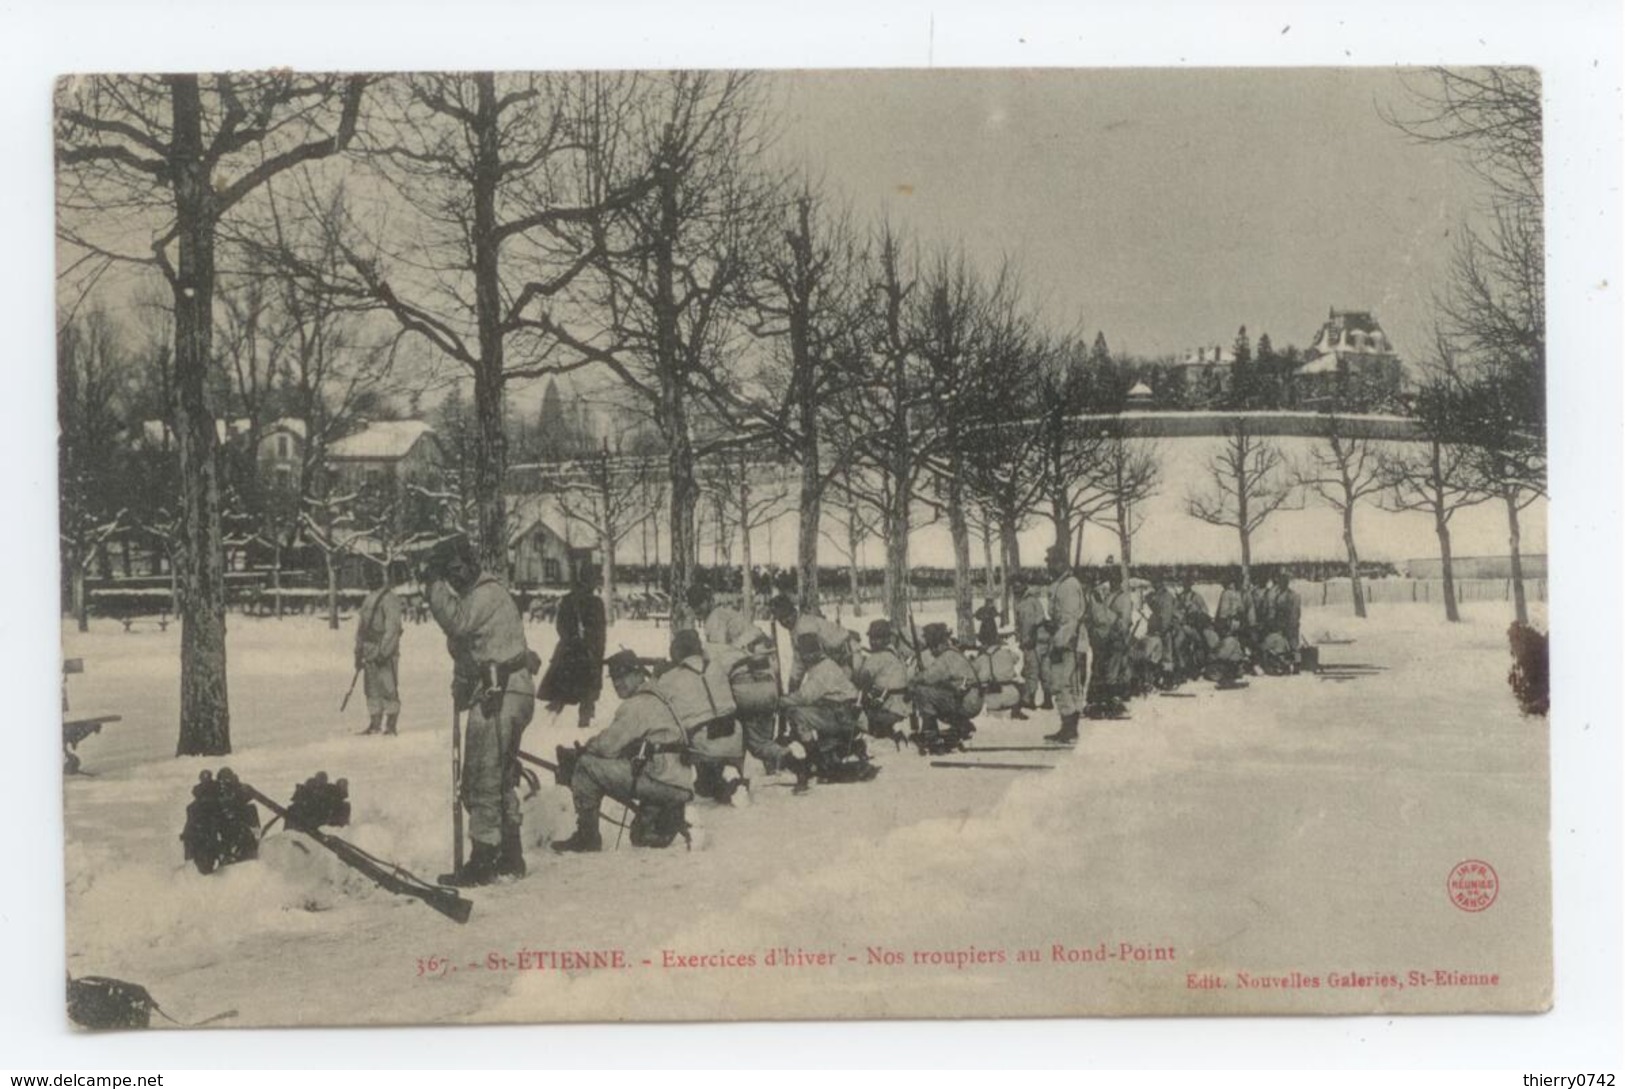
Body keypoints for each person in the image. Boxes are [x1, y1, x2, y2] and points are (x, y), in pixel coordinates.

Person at [422, 536, 538, 886]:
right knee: (498, 775)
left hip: (500, 693)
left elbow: (456, 624)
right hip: (500, 690)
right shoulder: (479, 597)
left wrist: (433, 587)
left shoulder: (486, 594)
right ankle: (510, 854)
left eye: (457, 569)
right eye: (449, 573)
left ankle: (484, 857)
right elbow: (469, 647)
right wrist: (461, 682)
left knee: (482, 778)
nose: (455, 578)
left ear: (470, 562)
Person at [551, 651, 694, 854]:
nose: (618, 682)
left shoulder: (637, 704)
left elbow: (608, 746)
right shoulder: (658, 695)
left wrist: (582, 751)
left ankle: (587, 837)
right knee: (640, 837)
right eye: (615, 678)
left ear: (638, 674)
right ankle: (661, 814)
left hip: (662, 779)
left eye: (624, 675)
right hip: (677, 778)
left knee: (585, 766)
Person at [779, 631, 863, 793]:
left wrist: (780, 701)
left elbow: (804, 697)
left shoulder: (821, 670)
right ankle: (822, 752)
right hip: (843, 713)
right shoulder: (826, 664)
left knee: (797, 713)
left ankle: (811, 757)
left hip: (841, 716)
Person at [536, 563, 607, 730]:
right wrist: (596, 652)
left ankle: (547, 728)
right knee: (587, 697)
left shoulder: (569, 599)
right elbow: (600, 634)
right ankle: (583, 728)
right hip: (588, 655)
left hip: (569, 655)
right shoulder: (596, 603)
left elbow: (561, 627)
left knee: (560, 695)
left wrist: (573, 640)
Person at [908, 622, 983, 753]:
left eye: (933, 648)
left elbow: (929, 677)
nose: (932, 652)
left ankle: (931, 734)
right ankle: (961, 725)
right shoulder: (955, 653)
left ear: (939, 644)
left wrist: (914, 680)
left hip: (966, 702)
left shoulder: (946, 657)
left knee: (922, 691)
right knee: (937, 692)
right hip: (972, 698)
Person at [1042, 547, 1088, 744]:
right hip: (1068, 639)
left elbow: (1070, 620)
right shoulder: (1063, 584)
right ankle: (1068, 727)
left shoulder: (1068, 585)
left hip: (1069, 641)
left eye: (1051, 562)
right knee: (1067, 684)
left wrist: (1060, 643)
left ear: (1061, 563)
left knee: (1063, 684)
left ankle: (1069, 728)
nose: (1049, 566)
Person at [354, 564, 404, 736]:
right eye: (368, 577)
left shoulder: (390, 599)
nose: (370, 580)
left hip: (385, 652)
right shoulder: (368, 599)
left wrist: (385, 651)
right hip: (369, 650)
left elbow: (393, 628)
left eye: (374, 576)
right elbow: (361, 629)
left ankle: (390, 725)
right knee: (371, 688)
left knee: (388, 687)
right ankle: (374, 723)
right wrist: (358, 651)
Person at [770, 596, 851, 692]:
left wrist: (795, 691)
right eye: (780, 619)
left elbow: (814, 663)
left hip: (847, 660)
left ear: (794, 612)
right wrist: (793, 683)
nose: (784, 622)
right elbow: (799, 659)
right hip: (834, 663)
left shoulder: (805, 628)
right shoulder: (797, 628)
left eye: (787, 616)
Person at [1084, 568, 1136, 718]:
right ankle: (1098, 702)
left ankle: (1112, 703)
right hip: (1103, 640)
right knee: (1100, 670)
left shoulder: (1124, 598)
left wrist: (1117, 631)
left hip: (1116, 639)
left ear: (1119, 581)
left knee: (1113, 672)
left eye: (1114, 579)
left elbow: (1124, 622)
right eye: (1110, 579)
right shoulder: (1107, 596)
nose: (1112, 581)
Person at [852, 618, 913, 742]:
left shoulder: (877, 658)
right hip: (902, 706)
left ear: (886, 639)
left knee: (850, 710)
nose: (873, 642)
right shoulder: (895, 654)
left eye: (877, 638)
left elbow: (860, 679)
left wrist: (856, 658)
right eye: (872, 638)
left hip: (887, 709)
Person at [1014, 573, 1051, 711]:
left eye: (1017, 586)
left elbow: (1027, 624)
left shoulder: (1026, 603)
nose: (1015, 590)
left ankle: (1030, 700)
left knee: (1032, 670)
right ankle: (1048, 700)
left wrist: (1025, 641)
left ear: (1024, 586)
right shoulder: (1034, 600)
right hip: (1044, 639)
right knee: (1045, 670)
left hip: (1033, 640)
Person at [1142, 574, 1180, 690]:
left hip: (1164, 630)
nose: (1155, 585)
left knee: (1167, 657)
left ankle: (1168, 682)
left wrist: (1163, 629)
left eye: (1157, 583)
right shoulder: (1155, 595)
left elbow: (1166, 616)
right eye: (1154, 583)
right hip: (1157, 630)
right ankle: (1158, 680)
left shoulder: (1166, 596)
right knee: (1158, 656)